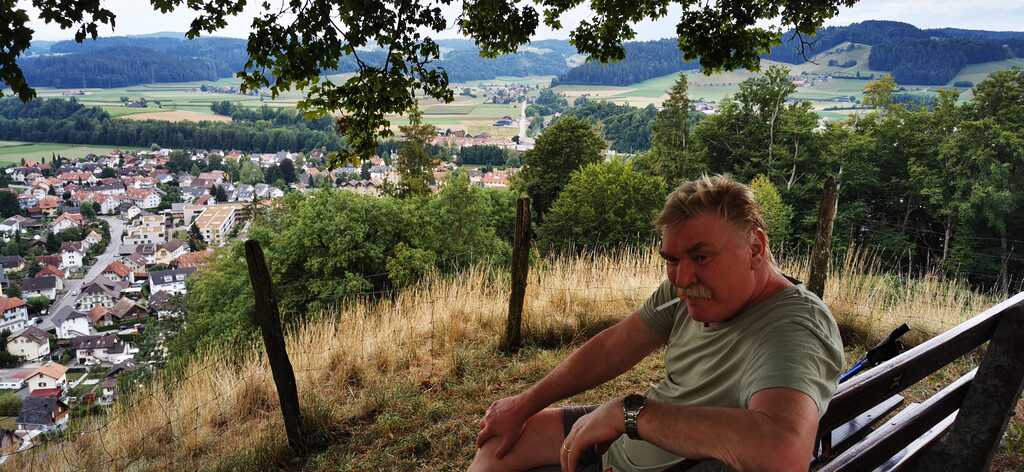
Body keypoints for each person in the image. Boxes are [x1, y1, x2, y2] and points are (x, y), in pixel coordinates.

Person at [470, 175, 844, 472]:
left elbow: (783, 452)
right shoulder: (687, 292)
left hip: (642, 444)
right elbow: (616, 345)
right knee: (499, 444)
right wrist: (525, 404)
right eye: (671, 260)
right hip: (623, 442)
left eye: (701, 257)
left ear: (755, 248)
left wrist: (631, 414)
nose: (682, 278)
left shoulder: (794, 329)